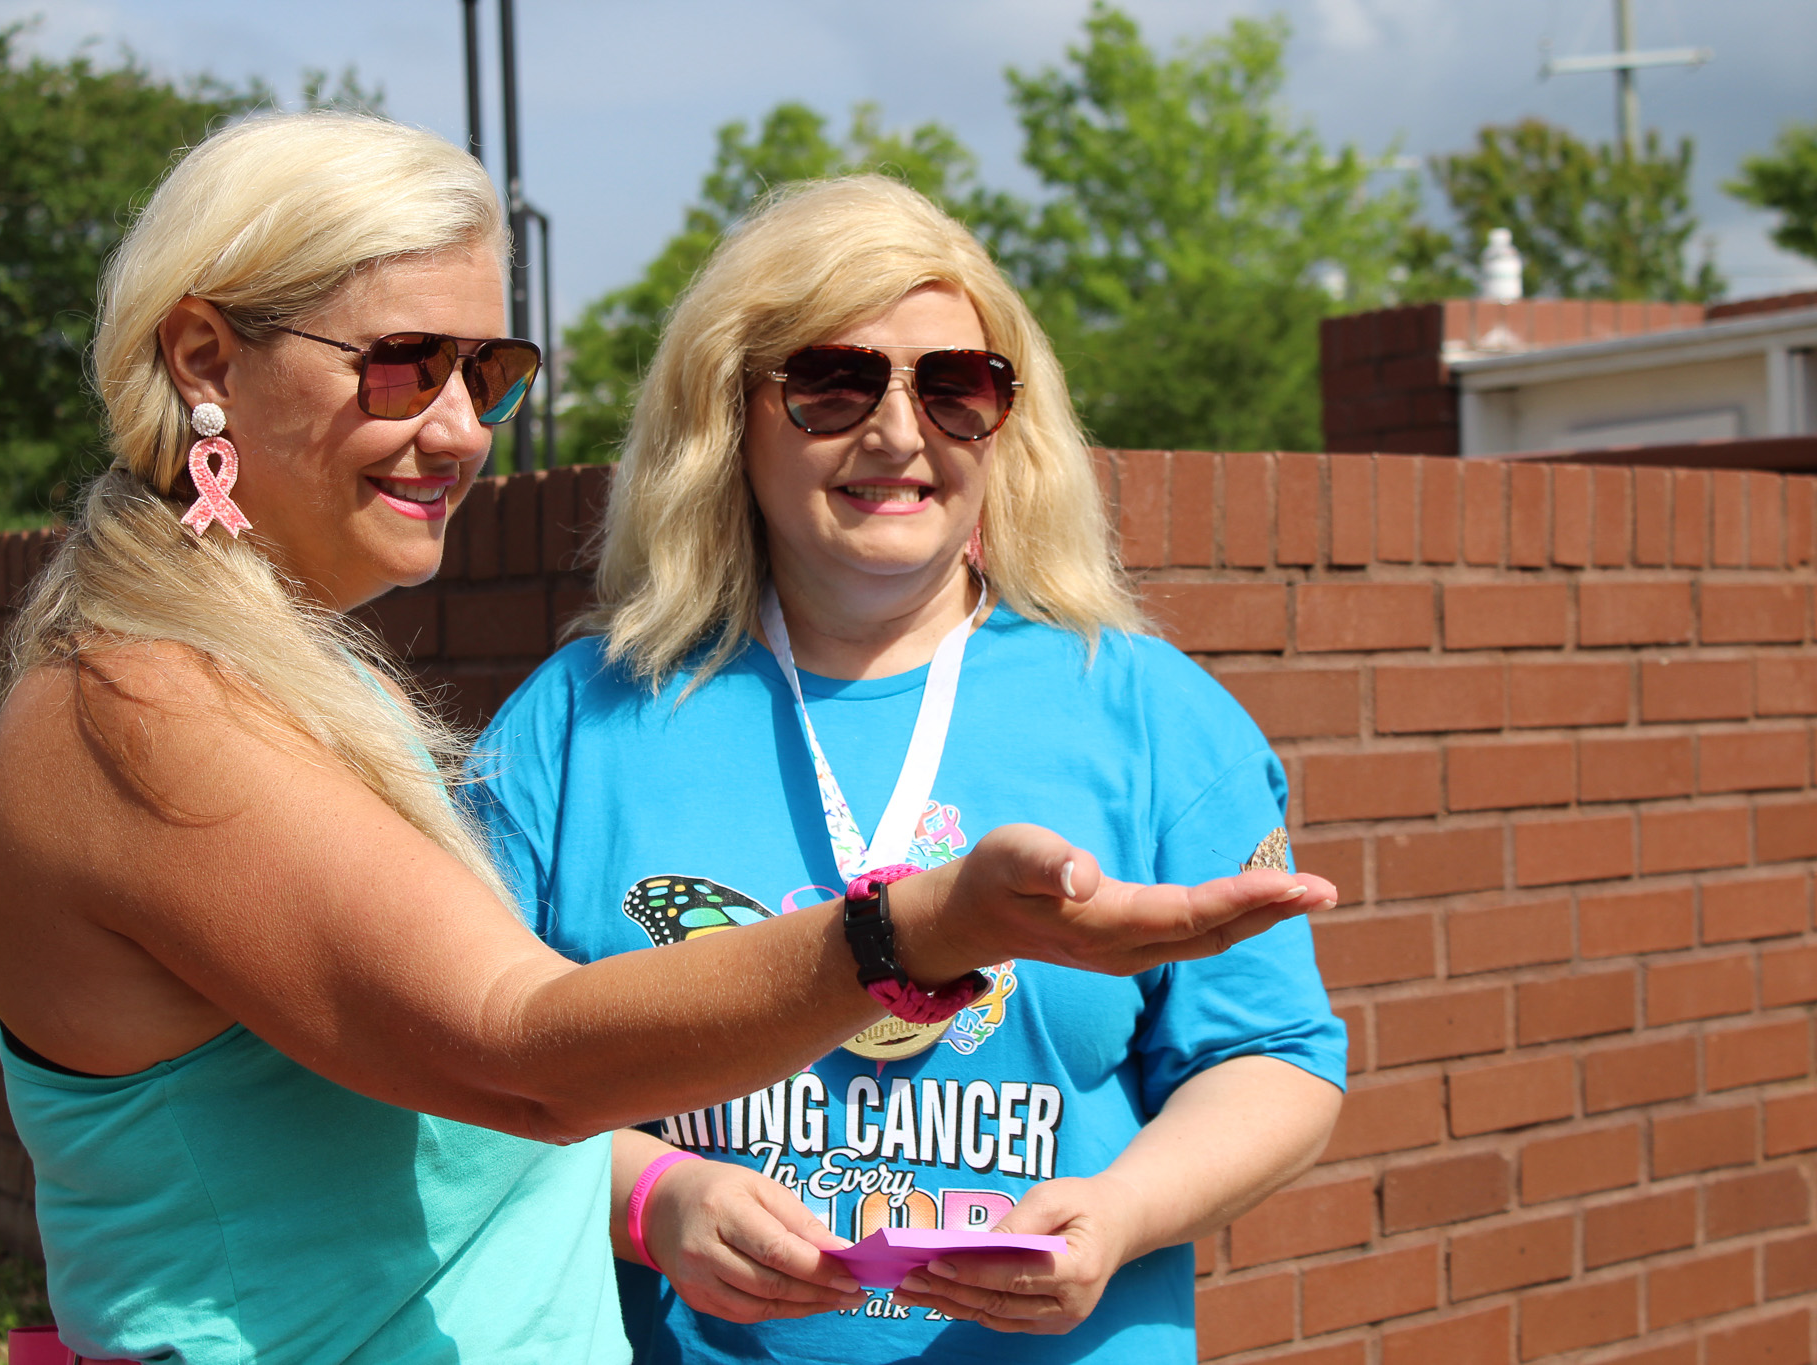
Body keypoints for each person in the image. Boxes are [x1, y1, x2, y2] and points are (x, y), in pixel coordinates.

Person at [0, 117, 1335, 1365]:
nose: (460, 429)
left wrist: (1117, 1207)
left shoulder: (287, 682)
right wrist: (915, 937)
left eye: (486, 372)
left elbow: (1273, 1053)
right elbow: (518, 1053)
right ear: (204, 360)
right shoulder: (150, 710)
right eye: (402, 364)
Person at [476, 175, 1347, 1364]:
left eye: (954, 387)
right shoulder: (579, 720)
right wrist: (649, 1200)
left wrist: (1120, 1213)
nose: (897, 433)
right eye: (832, 382)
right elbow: (454, 1070)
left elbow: (1269, 1059)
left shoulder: (1151, 715)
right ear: (727, 414)